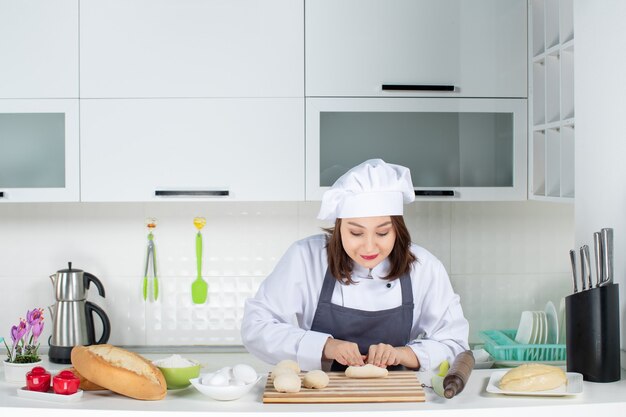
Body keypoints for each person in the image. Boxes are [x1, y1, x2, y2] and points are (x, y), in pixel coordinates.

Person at [241, 159, 469, 372]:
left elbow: (455, 345)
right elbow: (256, 328)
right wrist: (325, 346)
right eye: (356, 232)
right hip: (319, 396)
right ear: (339, 227)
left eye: (382, 232)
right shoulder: (305, 258)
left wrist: (403, 354)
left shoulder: (424, 267)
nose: (369, 247)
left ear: (397, 229)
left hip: (398, 397)